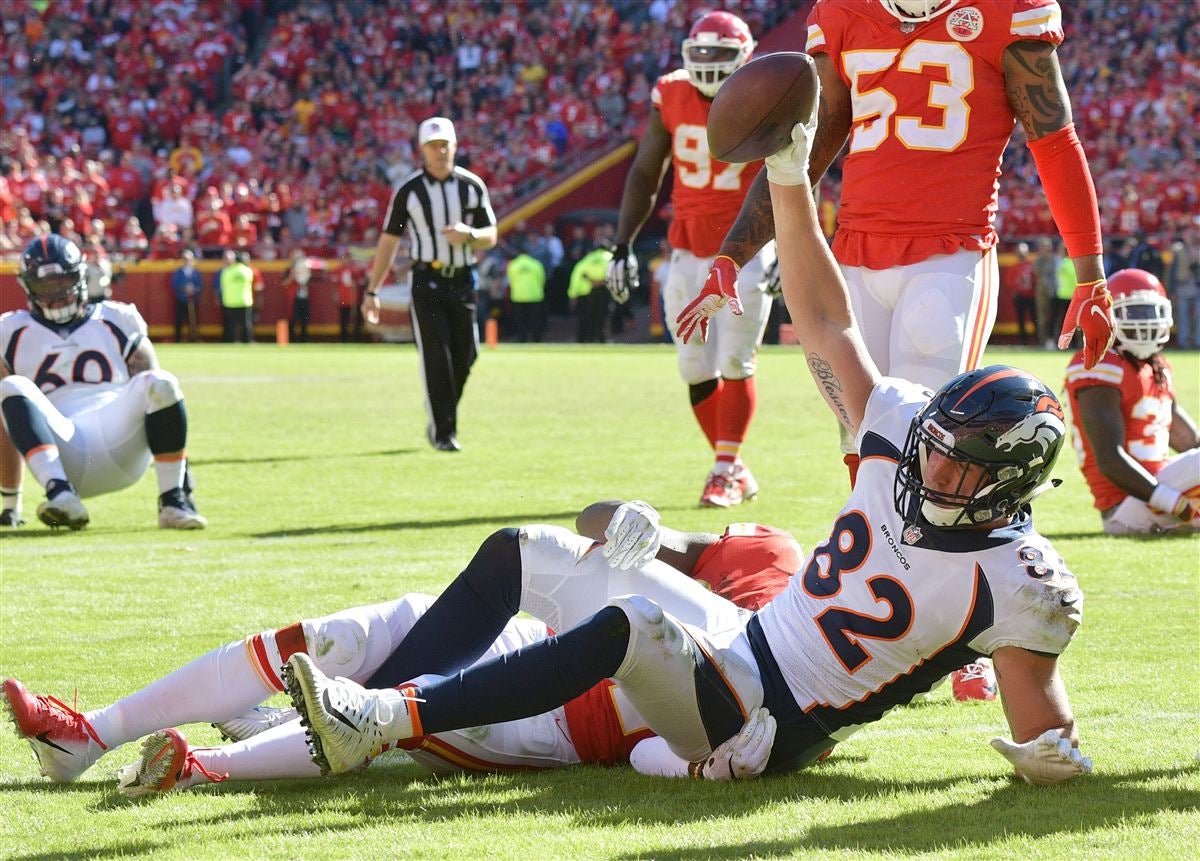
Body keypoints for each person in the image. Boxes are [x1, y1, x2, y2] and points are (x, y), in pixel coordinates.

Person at [283, 124, 1092, 789]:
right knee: (522, 551)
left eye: (957, 467)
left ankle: (386, 722)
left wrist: (1050, 752)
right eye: (935, 449)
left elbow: (1042, 727)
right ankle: (358, 702)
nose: (930, 471)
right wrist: (790, 174)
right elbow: (825, 320)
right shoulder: (903, 431)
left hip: (768, 724)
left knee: (631, 626)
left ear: (1007, 486)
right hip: (747, 638)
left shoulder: (1021, 578)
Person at [3, 501, 802, 793]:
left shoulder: (797, 677)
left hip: (549, 718)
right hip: (537, 630)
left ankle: (208, 763)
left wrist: (706, 763)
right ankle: (91, 732)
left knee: (377, 709)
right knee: (326, 640)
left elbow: (650, 757)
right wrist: (640, 519)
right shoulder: (778, 556)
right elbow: (603, 525)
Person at [686, 0, 1115, 489]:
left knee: (923, 434)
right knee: (858, 437)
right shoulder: (842, 13)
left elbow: (1054, 140)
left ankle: (921, 558)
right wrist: (732, 254)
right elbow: (806, 144)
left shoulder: (1006, 10)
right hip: (855, 253)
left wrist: (1090, 274)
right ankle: (871, 559)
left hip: (950, 252)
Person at [606, 10, 774, 509]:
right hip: (686, 244)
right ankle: (733, 467)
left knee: (734, 360)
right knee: (694, 366)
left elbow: (789, 172)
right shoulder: (671, 93)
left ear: (744, 55)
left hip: (745, 247)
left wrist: (788, 243)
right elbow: (644, 171)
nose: (707, 64)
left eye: (719, 55)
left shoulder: (768, 89)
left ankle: (723, 468)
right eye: (700, 53)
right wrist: (622, 243)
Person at [0, 235, 205, 531]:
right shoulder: (10, 330)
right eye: (46, 287)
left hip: (120, 440)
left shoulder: (117, 318)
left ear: (80, 277)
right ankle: (60, 494)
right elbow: (5, 420)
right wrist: (9, 504)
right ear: (29, 287)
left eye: (63, 282)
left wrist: (184, 478)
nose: (56, 295)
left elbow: (161, 403)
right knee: (11, 387)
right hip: (62, 451)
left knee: (161, 382)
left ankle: (173, 500)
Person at [361, 117, 498, 453]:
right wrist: (372, 290)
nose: (439, 152)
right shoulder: (409, 191)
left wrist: (470, 235)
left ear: (454, 146)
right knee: (436, 356)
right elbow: (389, 242)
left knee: (467, 353)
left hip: (463, 278)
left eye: (444, 145)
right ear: (422, 151)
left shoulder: (471, 185)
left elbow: (491, 235)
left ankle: (440, 410)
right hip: (426, 280)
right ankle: (443, 432)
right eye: (433, 146)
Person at [1065, 269, 1200, 535]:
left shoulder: (1156, 366)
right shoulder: (1099, 365)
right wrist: (1178, 505)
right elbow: (1109, 459)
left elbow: (1187, 439)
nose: (1145, 323)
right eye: (1135, 313)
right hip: (1126, 506)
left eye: (1151, 313)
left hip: (1158, 490)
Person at [569, 243, 612, 344]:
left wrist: (572, 295)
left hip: (585, 292)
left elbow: (575, 278)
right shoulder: (609, 257)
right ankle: (601, 339)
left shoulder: (585, 261)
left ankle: (584, 339)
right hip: (604, 290)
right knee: (602, 317)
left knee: (586, 318)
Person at [506, 240, 547, 343]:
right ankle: (535, 340)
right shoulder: (536, 264)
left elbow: (510, 280)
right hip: (535, 296)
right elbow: (542, 279)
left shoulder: (513, 265)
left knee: (520, 322)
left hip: (518, 297)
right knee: (535, 321)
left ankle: (522, 340)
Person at [1166, 227, 1199, 349]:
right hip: (1183, 285)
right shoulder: (1178, 249)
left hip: (1197, 285)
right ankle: (1183, 342)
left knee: (1198, 316)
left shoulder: (1198, 248)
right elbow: (1173, 270)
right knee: (1182, 315)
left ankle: (1197, 341)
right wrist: (1172, 288)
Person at [215, 249, 255, 343]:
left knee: (230, 324)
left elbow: (222, 285)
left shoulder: (226, 271)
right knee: (246, 323)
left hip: (230, 301)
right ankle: (247, 341)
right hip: (244, 300)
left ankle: (230, 341)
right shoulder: (247, 271)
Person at [170, 249, 203, 343]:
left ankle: (193, 338)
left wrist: (194, 290)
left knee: (193, 320)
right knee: (179, 320)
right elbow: (175, 284)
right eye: (185, 258)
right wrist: (184, 288)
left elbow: (199, 285)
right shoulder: (178, 272)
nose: (186, 260)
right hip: (181, 299)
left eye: (188, 258)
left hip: (193, 299)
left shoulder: (196, 272)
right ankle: (178, 339)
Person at [1007, 242, 1036, 346]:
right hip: (1019, 296)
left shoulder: (1031, 266)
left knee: (1034, 318)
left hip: (1031, 296)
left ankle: (1036, 340)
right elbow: (1009, 282)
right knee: (1021, 319)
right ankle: (1023, 341)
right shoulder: (1014, 267)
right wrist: (1017, 284)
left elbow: (1036, 280)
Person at [1034, 236, 1059, 349]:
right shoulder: (1038, 259)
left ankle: (1053, 340)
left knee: (1053, 317)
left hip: (1053, 291)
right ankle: (1042, 340)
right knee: (1042, 318)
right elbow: (1038, 273)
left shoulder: (1053, 259)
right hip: (1042, 292)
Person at [283, 248, 313, 343]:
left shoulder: (306, 268)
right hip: (293, 297)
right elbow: (284, 283)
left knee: (304, 319)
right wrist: (292, 276)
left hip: (304, 296)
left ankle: (304, 339)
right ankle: (291, 339)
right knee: (292, 318)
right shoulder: (288, 269)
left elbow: (307, 281)